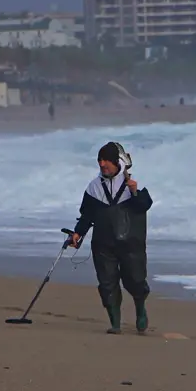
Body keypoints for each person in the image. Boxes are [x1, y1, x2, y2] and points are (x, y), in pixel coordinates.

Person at [68, 142, 154, 334]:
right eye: (100, 161)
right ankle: (115, 323)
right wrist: (77, 233)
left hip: (131, 243)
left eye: (106, 161)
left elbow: (145, 205)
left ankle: (140, 309)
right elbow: (87, 215)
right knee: (107, 284)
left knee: (135, 280)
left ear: (117, 162)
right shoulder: (94, 188)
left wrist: (134, 193)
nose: (102, 165)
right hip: (103, 244)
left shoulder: (132, 183)